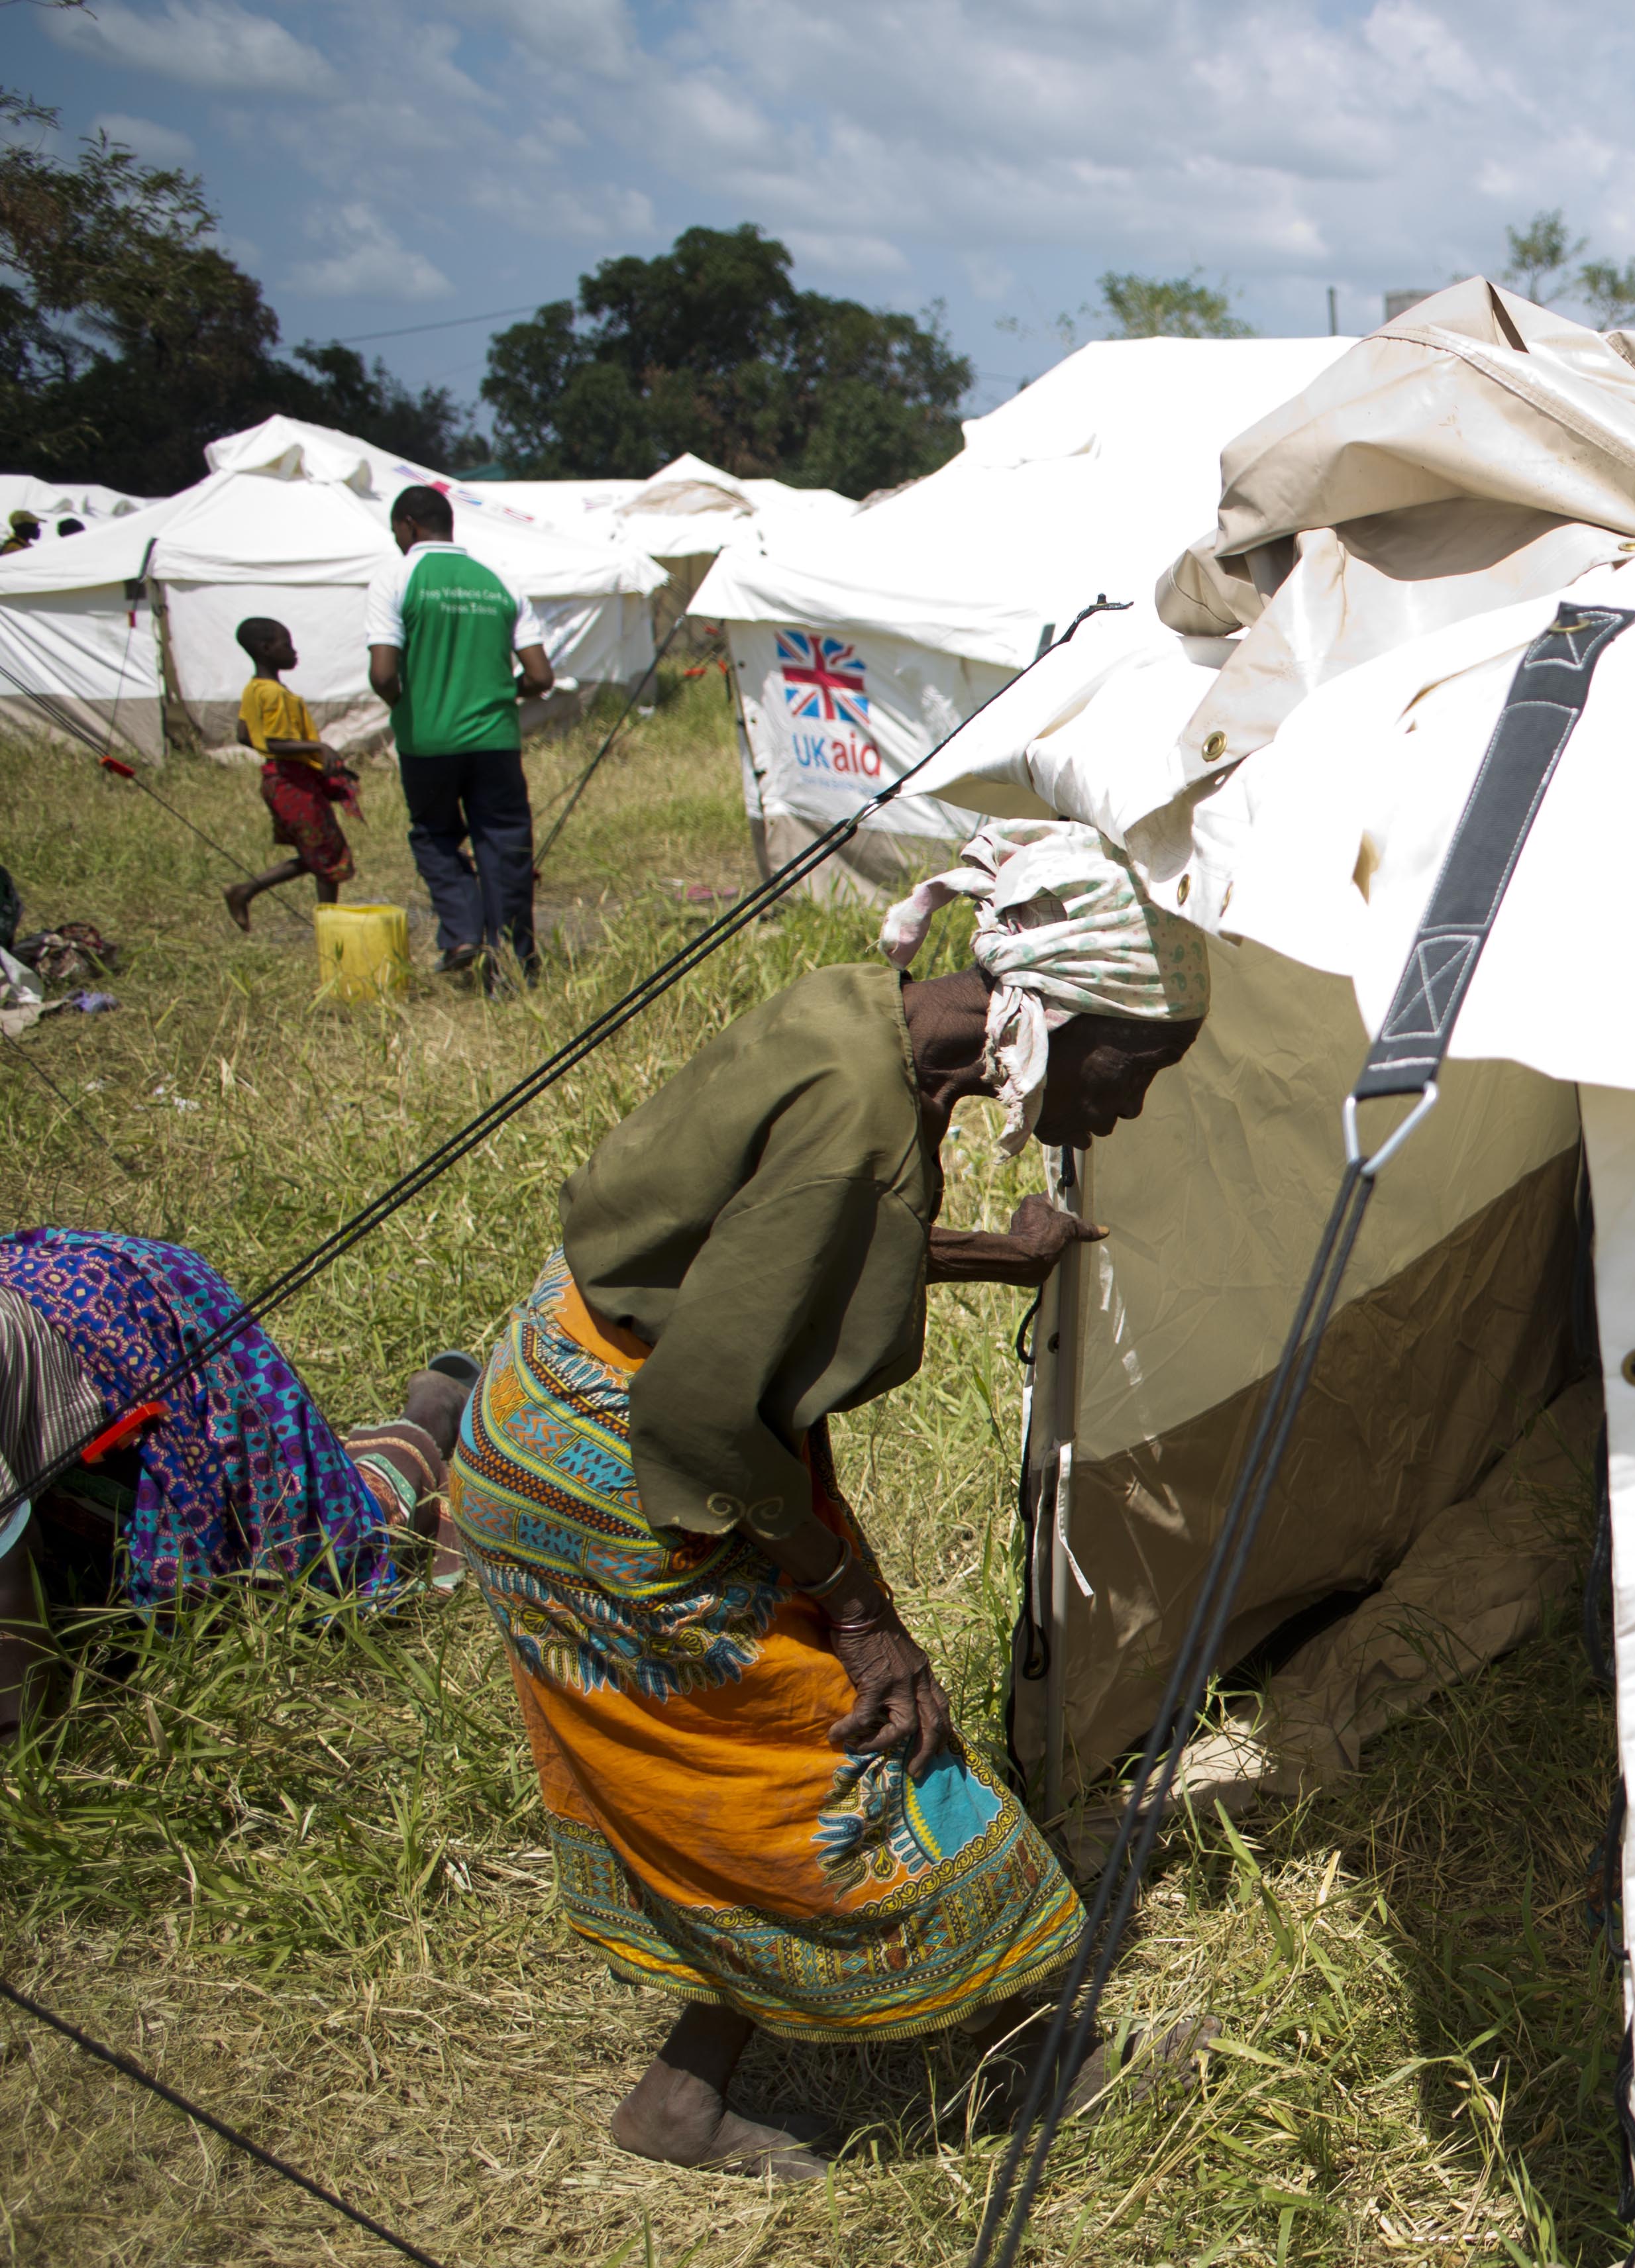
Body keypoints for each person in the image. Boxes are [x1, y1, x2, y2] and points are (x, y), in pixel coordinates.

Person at [453, 828, 1212, 2179]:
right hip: (625, 1468)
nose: (1131, 1109)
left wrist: (991, 1251)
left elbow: (765, 1244)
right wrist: (860, 1610)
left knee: (758, 1775)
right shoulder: (865, 1130)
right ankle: (1048, 2060)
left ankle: (683, 2099)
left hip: (547, 1386)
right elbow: (699, 1406)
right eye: (1136, 1070)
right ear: (1067, 1015)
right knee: (865, 1754)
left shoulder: (857, 1013)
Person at [0, 1229, 472, 1733]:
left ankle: (431, 1413)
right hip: (47, 1315)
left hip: (133, 1318)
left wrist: (24, 1764)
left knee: (321, 1554)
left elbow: (9, 1602)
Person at [364, 485, 553, 989]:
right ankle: (514, 969)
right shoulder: (498, 582)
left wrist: (409, 708)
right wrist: (498, 695)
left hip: (428, 742)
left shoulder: (397, 578)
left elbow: (383, 674)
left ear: (408, 526)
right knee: (504, 845)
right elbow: (540, 677)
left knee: (436, 836)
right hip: (495, 741)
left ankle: (464, 934)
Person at [223, 617, 362, 931]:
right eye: (287, 645)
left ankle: (244, 891)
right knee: (328, 856)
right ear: (266, 648)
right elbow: (272, 741)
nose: (295, 651)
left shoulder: (254, 689)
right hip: (293, 783)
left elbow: (245, 735)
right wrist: (319, 747)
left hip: (277, 781)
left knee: (314, 853)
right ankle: (330, 927)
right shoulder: (274, 694)